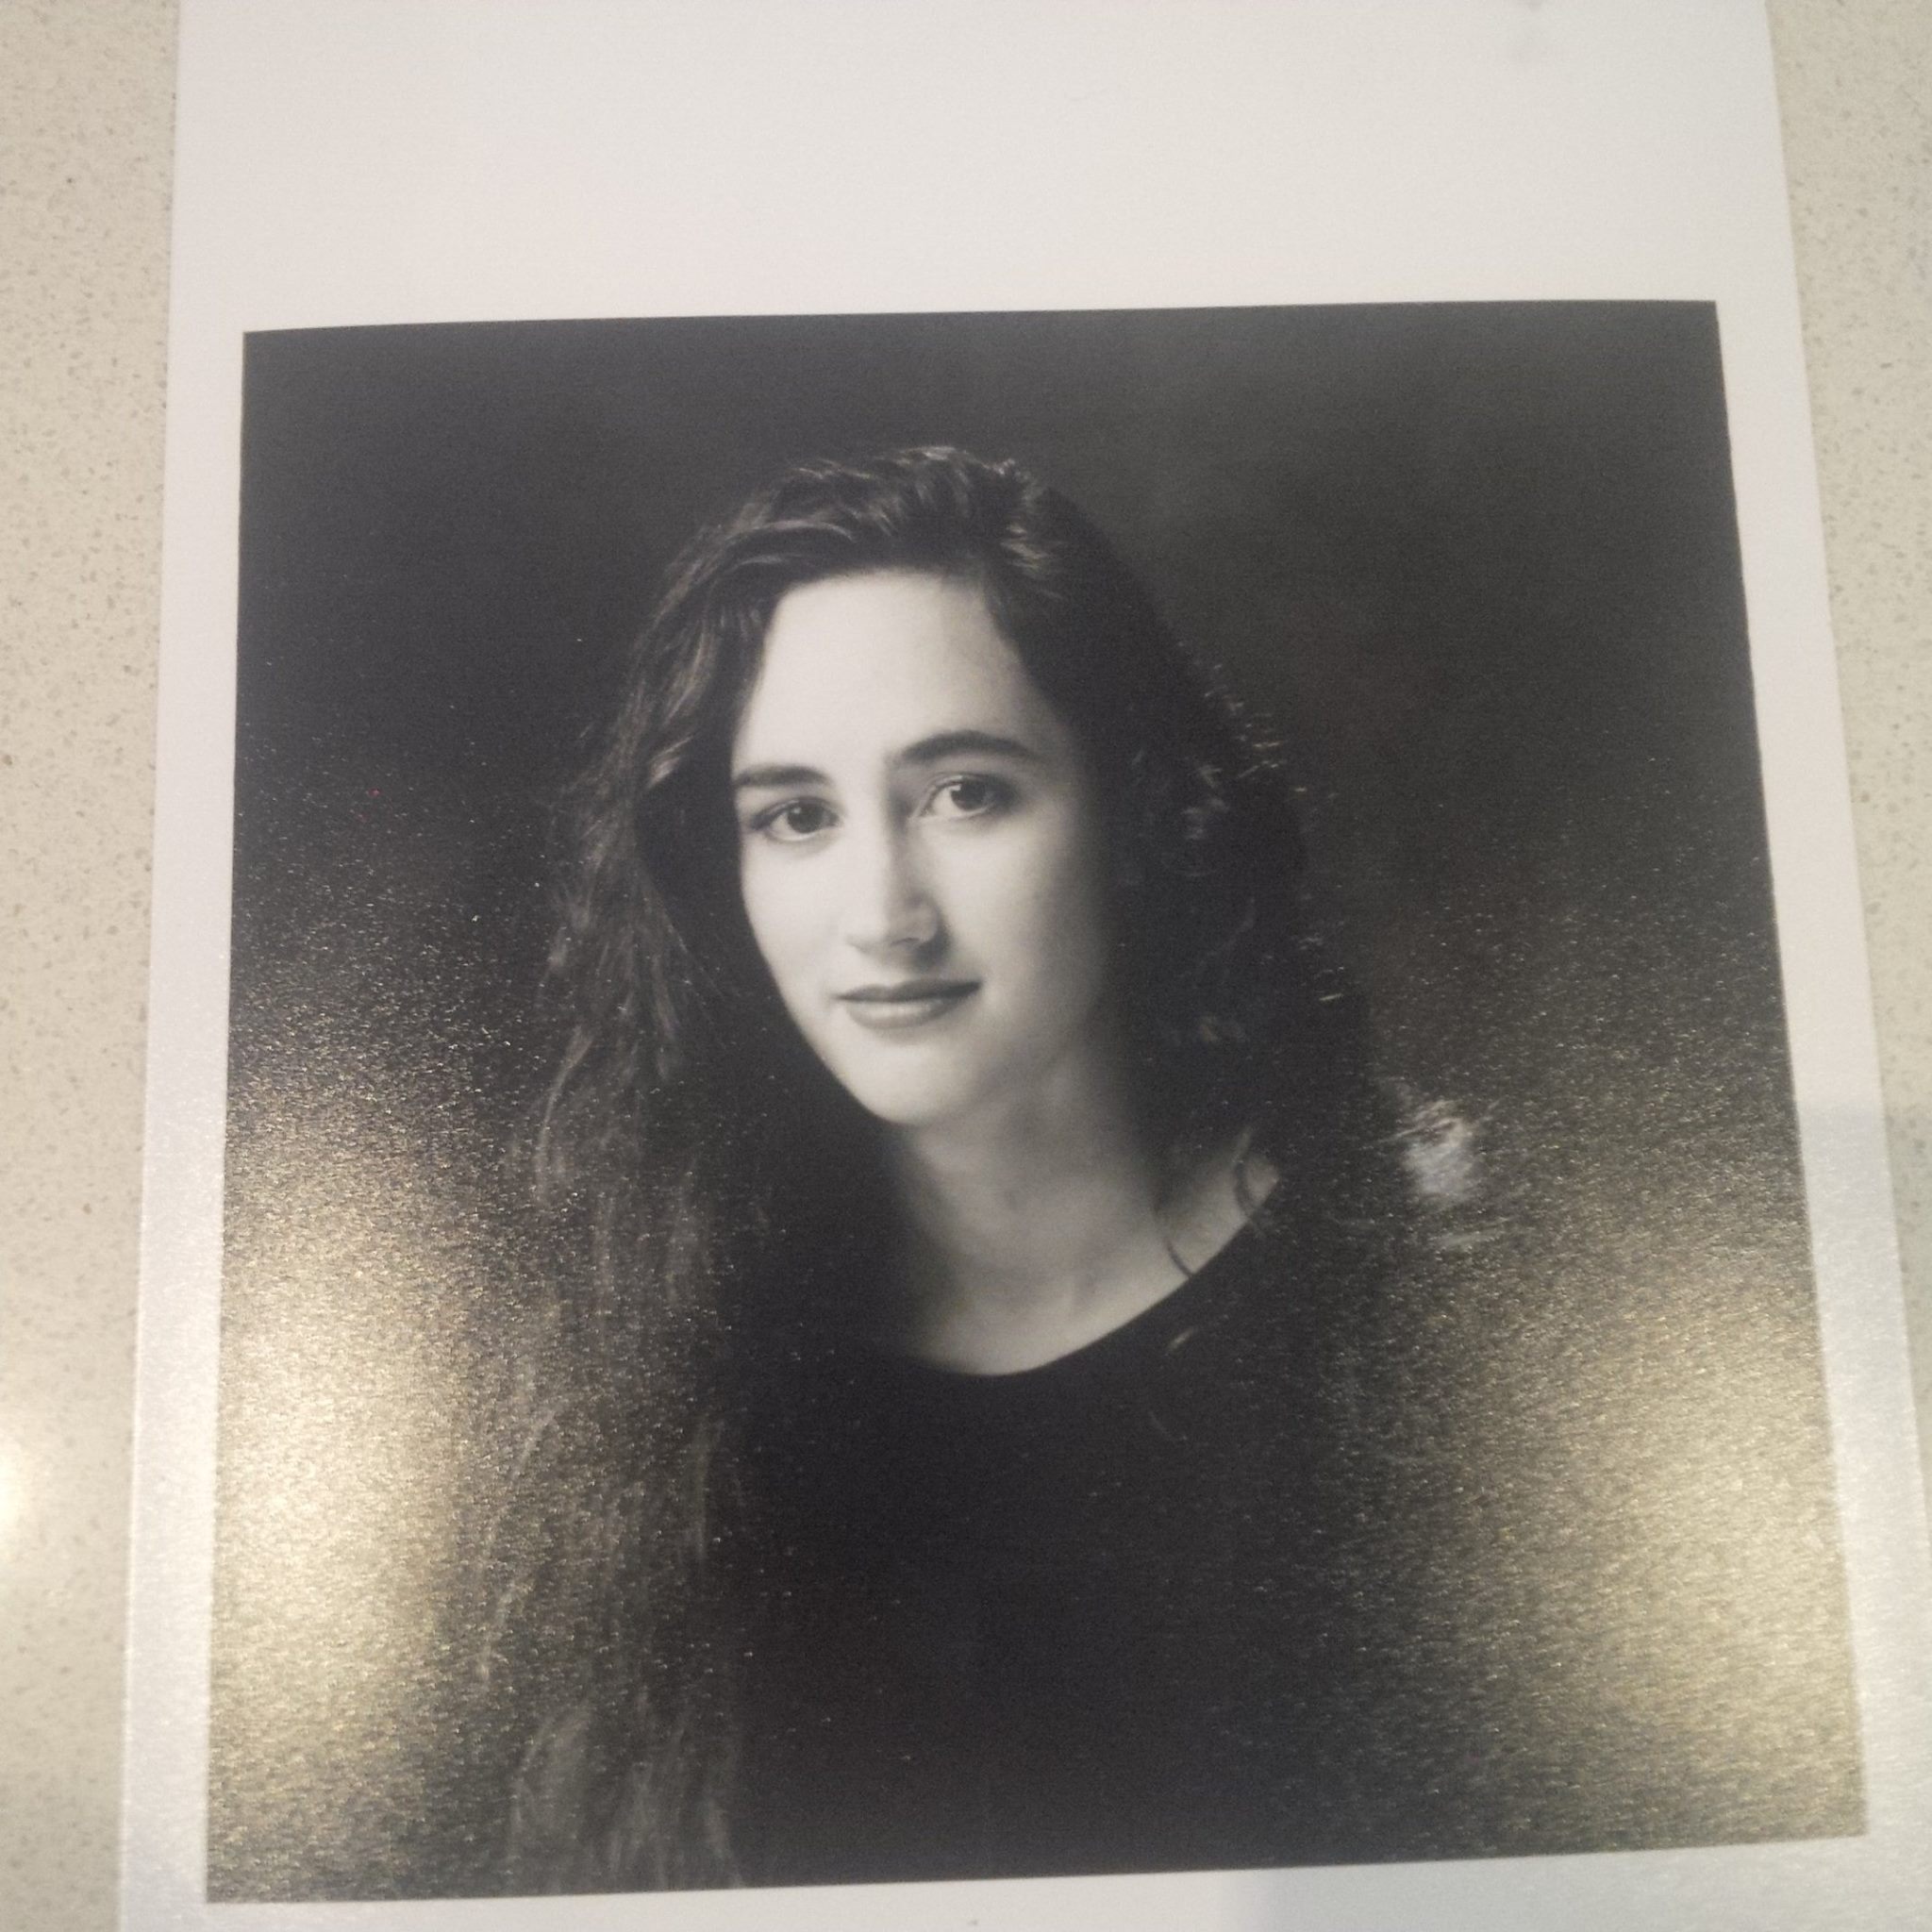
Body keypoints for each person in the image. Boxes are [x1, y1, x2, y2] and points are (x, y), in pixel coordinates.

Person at [479, 445, 1487, 1893]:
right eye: (797, 817)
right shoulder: (682, 1395)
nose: (883, 917)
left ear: (1133, 811)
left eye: (964, 792)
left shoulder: (1436, 1311)